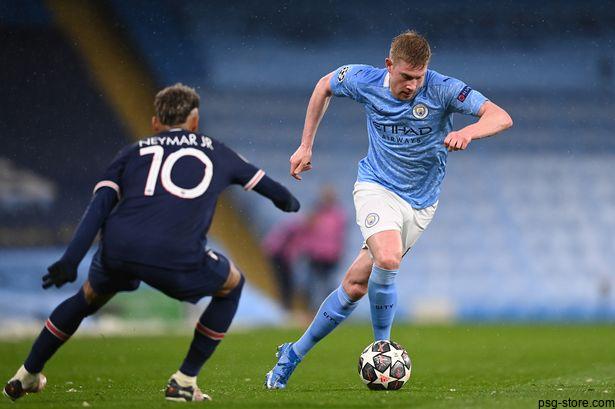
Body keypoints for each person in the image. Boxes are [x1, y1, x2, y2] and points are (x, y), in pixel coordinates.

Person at [2, 83, 300, 402]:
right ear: (195, 121)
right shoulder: (216, 150)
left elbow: (99, 206)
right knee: (232, 285)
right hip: (176, 253)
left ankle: (27, 374)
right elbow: (280, 196)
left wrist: (71, 260)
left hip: (119, 247)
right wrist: (291, 203)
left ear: (155, 123)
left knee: (87, 296)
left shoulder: (131, 153)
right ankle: (184, 380)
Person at [265, 30, 512, 389]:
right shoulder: (364, 79)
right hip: (377, 187)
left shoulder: (443, 88)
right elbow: (324, 86)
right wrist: (305, 146)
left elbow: (501, 116)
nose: (412, 85)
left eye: (419, 77)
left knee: (353, 286)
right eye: (405, 77)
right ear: (388, 66)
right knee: (389, 258)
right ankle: (384, 346)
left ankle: (293, 353)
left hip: (421, 203)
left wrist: (470, 132)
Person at [301, 186, 346, 312]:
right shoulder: (315, 213)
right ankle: (311, 311)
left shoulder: (338, 215)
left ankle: (330, 310)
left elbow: (340, 236)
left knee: (328, 284)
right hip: (315, 255)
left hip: (331, 256)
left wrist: (339, 252)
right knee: (311, 284)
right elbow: (306, 231)